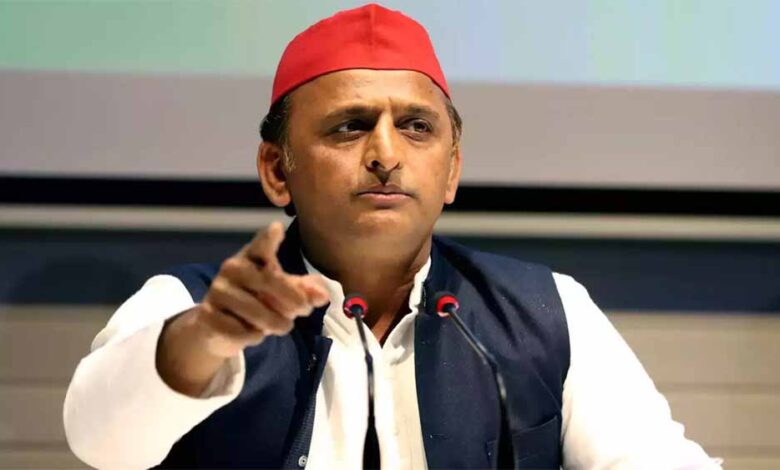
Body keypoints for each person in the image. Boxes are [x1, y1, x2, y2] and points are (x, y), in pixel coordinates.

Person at [64, 4, 721, 469]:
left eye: (416, 127)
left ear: (452, 169)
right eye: (350, 127)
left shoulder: (547, 311)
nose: (385, 153)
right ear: (277, 170)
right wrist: (205, 339)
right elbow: (101, 443)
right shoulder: (189, 305)